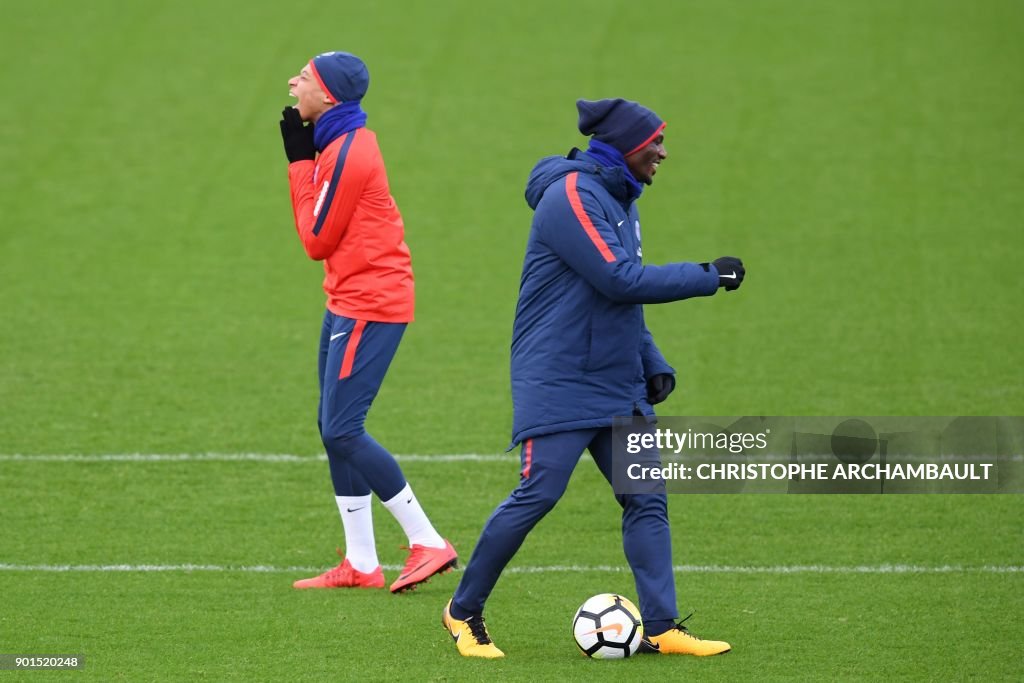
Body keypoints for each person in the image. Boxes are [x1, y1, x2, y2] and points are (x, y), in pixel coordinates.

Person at [441, 98, 745, 657]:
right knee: (539, 493)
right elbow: (618, 278)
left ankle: (662, 626)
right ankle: (462, 613)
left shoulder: (621, 198)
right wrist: (708, 276)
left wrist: (650, 360)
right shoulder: (573, 197)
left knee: (646, 497)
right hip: (559, 377)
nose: (663, 152)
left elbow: (615, 301)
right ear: (627, 147)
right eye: (654, 142)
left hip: (615, 378)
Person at [278, 51, 456, 594]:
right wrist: (310, 157)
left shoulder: (348, 154)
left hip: (370, 304)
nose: (293, 82)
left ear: (327, 96)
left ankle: (427, 540)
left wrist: (297, 163)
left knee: (342, 428)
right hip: (347, 298)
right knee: (332, 429)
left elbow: (315, 240)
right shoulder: (339, 141)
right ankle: (361, 562)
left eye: (303, 77)